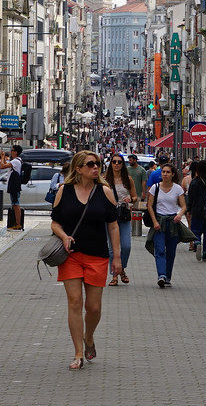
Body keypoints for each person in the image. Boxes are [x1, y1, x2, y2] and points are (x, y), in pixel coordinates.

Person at [49, 151, 121, 370]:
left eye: (97, 164)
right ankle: (78, 352)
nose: (95, 168)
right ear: (78, 169)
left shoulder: (105, 192)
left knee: (94, 307)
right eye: (90, 164)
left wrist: (117, 258)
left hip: (97, 255)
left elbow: (113, 225)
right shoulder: (64, 191)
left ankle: (89, 337)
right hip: (71, 255)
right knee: (74, 302)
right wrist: (64, 236)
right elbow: (54, 222)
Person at [148, 162, 186, 288]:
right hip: (159, 221)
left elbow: (184, 206)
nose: (165, 174)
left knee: (171, 251)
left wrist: (179, 214)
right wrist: (154, 221)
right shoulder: (155, 188)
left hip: (172, 222)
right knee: (159, 250)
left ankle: (168, 276)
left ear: (173, 174)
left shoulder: (178, 188)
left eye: (168, 172)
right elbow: (149, 206)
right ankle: (162, 276)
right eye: (163, 172)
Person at [104, 154, 136, 286]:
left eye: (119, 162)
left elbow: (135, 196)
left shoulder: (128, 179)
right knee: (112, 249)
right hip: (109, 216)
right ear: (110, 163)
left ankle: (121, 268)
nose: (116, 164)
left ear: (123, 164)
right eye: (114, 162)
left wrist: (130, 199)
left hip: (123, 215)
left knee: (126, 246)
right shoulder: (104, 180)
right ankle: (115, 275)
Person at [186, 160, 206, 262]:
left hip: (197, 210)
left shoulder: (194, 182)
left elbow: (191, 197)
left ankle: (197, 242)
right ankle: (205, 252)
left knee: (195, 229)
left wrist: (189, 209)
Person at [0, 145, 24, 230]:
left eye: (12, 150)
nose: (11, 152)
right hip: (14, 185)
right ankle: (17, 223)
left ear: (15, 152)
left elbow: (2, 166)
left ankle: (18, 224)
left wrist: (2, 157)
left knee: (16, 204)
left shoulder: (16, 161)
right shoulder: (17, 161)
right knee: (15, 204)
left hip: (14, 186)